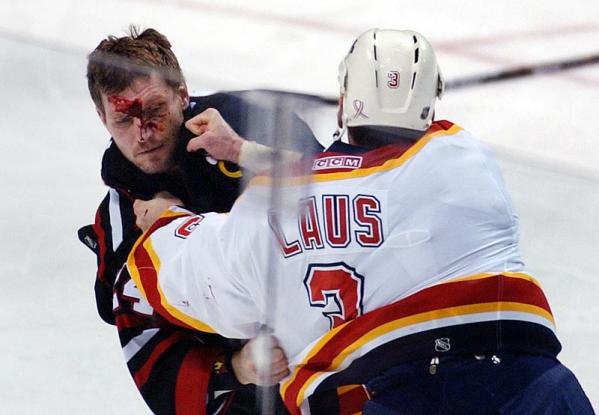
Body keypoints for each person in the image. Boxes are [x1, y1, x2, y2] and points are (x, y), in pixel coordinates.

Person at [125, 29, 594, 414]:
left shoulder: (275, 203)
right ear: (432, 100)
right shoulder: (463, 162)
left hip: (393, 400)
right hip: (534, 390)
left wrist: (166, 225)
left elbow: (189, 276)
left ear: (347, 97)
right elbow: (375, 179)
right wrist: (246, 151)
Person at [77, 26, 321, 414]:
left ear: (183, 94)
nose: (144, 134)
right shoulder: (120, 212)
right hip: (247, 387)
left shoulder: (247, 119)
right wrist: (236, 369)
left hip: (324, 345)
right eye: (124, 121)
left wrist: (243, 150)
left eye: (155, 110)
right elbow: (126, 318)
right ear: (102, 119)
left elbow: (341, 194)